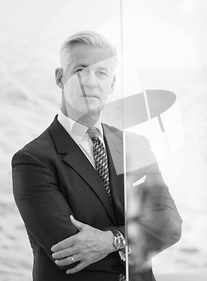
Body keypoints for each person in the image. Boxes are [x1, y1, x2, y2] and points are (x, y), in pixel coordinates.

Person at [12, 31, 182, 281]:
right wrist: (139, 238)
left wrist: (112, 240)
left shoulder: (135, 146)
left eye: (101, 72)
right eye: (81, 69)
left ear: (111, 84)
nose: (91, 82)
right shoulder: (33, 159)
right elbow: (69, 249)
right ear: (61, 78)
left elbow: (170, 224)